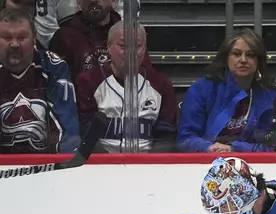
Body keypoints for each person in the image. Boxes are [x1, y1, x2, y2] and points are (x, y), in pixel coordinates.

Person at [75, 21, 177, 153]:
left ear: (144, 49)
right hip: (101, 165)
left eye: (137, 46)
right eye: (123, 46)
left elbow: (166, 136)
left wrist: (150, 166)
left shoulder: (161, 85)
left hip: (148, 166)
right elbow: (85, 134)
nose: (131, 52)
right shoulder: (88, 81)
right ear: (109, 48)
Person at [177, 29, 276, 153]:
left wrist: (235, 148)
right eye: (236, 54)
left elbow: (274, 147)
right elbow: (185, 139)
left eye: (250, 55)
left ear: (258, 62)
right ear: (226, 58)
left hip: (253, 163)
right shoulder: (201, 90)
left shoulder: (270, 98)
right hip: (207, 160)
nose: (243, 60)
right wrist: (209, 148)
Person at [0, 7, 79, 153]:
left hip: (47, 167)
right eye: (7, 37)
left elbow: (67, 130)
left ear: (34, 38)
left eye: (21, 37)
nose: (14, 44)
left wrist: (63, 166)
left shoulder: (53, 67)